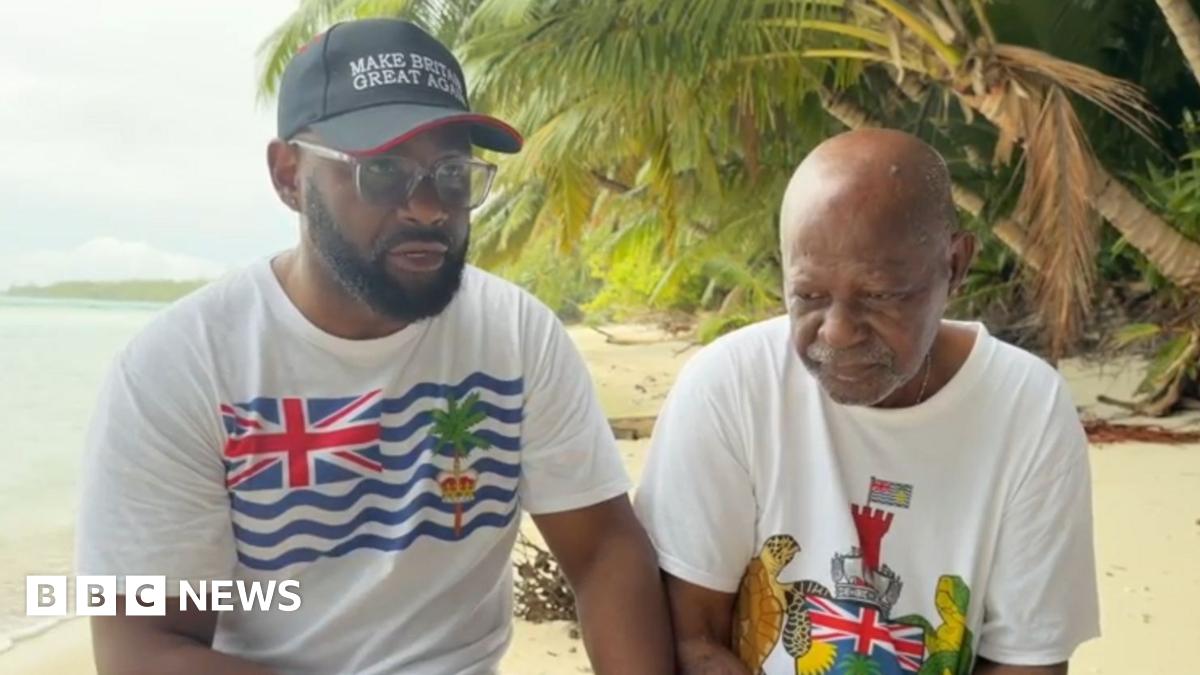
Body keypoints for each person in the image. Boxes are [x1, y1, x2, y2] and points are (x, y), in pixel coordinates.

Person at [75, 18, 673, 675]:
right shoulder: (181, 367)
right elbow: (141, 648)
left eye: (452, 174)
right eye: (381, 172)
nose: (426, 207)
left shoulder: (515, 335)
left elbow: (603, 550)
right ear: (288, 175)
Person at [634, 128, 1100, 675]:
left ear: (955, 265)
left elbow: (1028, 660)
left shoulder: (1027, 409)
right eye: (808, 296)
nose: (836, 333)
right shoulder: (731, 386)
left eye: (879, 296)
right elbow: (691, 637)